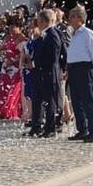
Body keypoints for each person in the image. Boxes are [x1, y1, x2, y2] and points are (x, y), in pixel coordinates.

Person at [66, 5, 93, 143]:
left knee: (87, 101)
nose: (69, 19)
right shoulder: (72, 34)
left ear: (80, 19)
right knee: (75, 100)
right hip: (73, 68)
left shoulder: (87, 33)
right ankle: (82, 129)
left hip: (84, 68)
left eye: (72, 17)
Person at [27, 10, 62, 138]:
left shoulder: (52, 34)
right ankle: (36, 127)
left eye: (39, 21)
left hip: (48, 73)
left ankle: (50, 128)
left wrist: (37, 64)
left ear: (43, 22)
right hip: (39, 73)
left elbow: (53, 56)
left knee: (50, 101)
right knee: (37, 100)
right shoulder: (43, 34)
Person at [0, 16, 25, 120]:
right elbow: (2, 48)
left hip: (15, 68)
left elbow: (24, 55)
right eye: (10, 27)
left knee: (12, 91)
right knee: (3, 90)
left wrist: (13, 61)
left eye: (13, 27)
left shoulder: (21, 38)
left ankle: (10, 111)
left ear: (19, 27)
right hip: (6, 67)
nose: (11, 29)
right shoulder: (8, 37)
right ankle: (1, 111)